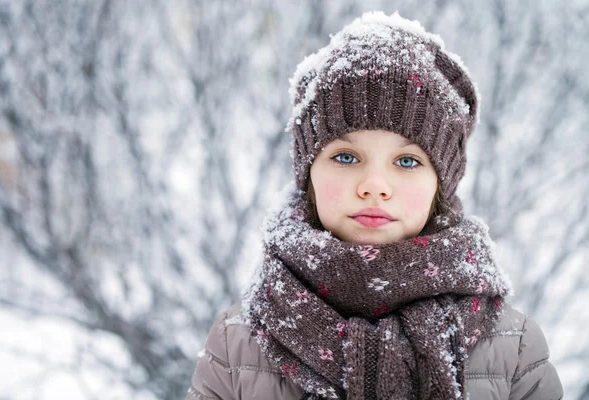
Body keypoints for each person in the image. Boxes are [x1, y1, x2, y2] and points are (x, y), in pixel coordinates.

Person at [187, 11, 563, 400]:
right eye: (347, 157)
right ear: (307, 172)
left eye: (407, 161)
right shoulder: (238, 342)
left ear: (441, 183)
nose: (374, 187)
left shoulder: (513, 348)